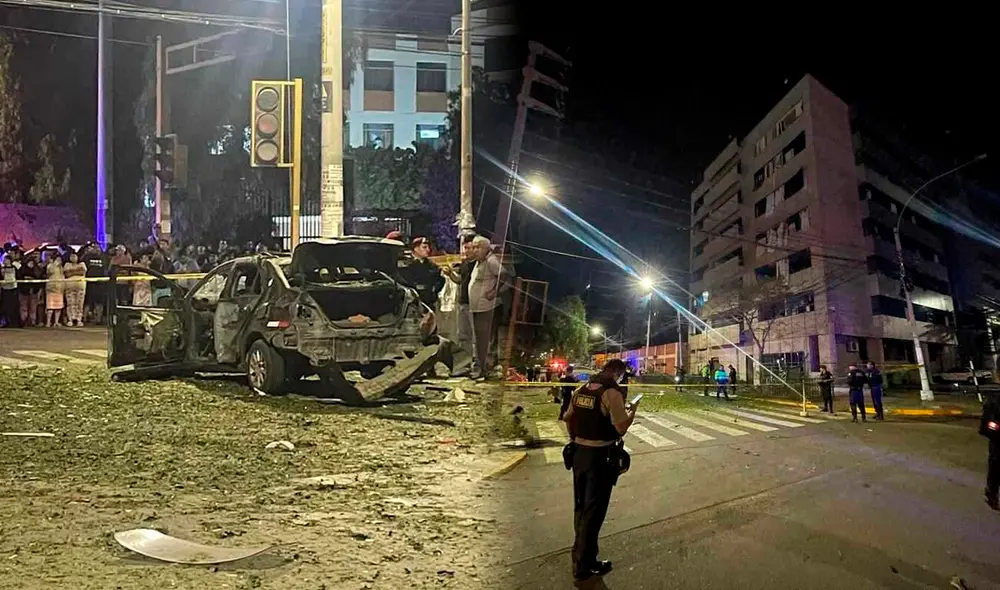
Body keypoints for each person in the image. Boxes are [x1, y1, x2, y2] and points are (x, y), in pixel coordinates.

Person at [561, 359, 638, 581]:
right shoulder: (611, 393)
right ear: (617, 373)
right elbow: (620, 427)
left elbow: (568, 418)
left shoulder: (581, 389)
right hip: (599, 458)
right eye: (622, 376)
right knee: (594, 511)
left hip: (579, 454)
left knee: (581, 507)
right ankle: (584, 564)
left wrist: (574, 439)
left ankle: (580, 554)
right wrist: (632, 412)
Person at [467, 236, 511, 380]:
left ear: (485, 248)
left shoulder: (491, 260)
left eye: (477, 247)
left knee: (485, 340)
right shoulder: (479, 262)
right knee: (479, 340)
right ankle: (482, 369)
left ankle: (486, 370)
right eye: (473, 247)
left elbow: (503, 274)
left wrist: (494, 291)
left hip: (486, 307)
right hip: (477, 307)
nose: (474, 250)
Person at [399, 237, 445, 309]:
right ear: (416, 248)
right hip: (411, 302)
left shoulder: (431, 265)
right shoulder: (406, 264)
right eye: (424, 247)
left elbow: (440, 279)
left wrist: (434, 291)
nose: (428, 250)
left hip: (429, 300)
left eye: (428, 247)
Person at [979, 392, 1000, 510]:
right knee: (996, 467)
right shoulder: (994, 400)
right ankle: (992, 494)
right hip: (998, 442)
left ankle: (992, 493)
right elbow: (989, 424)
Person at [63, 251, 88, 327]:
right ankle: (70, 319)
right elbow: (67, 273)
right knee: (70, 303)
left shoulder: (82, 264)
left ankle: (79, 319)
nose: (73, 258)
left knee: (79, 303)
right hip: (69, 287)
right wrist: (76, 271)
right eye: (71, 256)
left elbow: (82, 272)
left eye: (74, 256)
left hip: (80, 287)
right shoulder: (67, 264)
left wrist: (72, 271)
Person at [44, 253, 66, 327]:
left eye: (60, 260)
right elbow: (49, 272)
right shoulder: (50, 266)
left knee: (58, 307)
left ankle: (56, 322)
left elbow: (63, 277)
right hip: (51, 289)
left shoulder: (61, 268)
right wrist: (54, 265)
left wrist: (63, 287)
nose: (59, 261)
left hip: (59, 289)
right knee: (50, 307)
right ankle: (48, 322)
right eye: (58, 259)